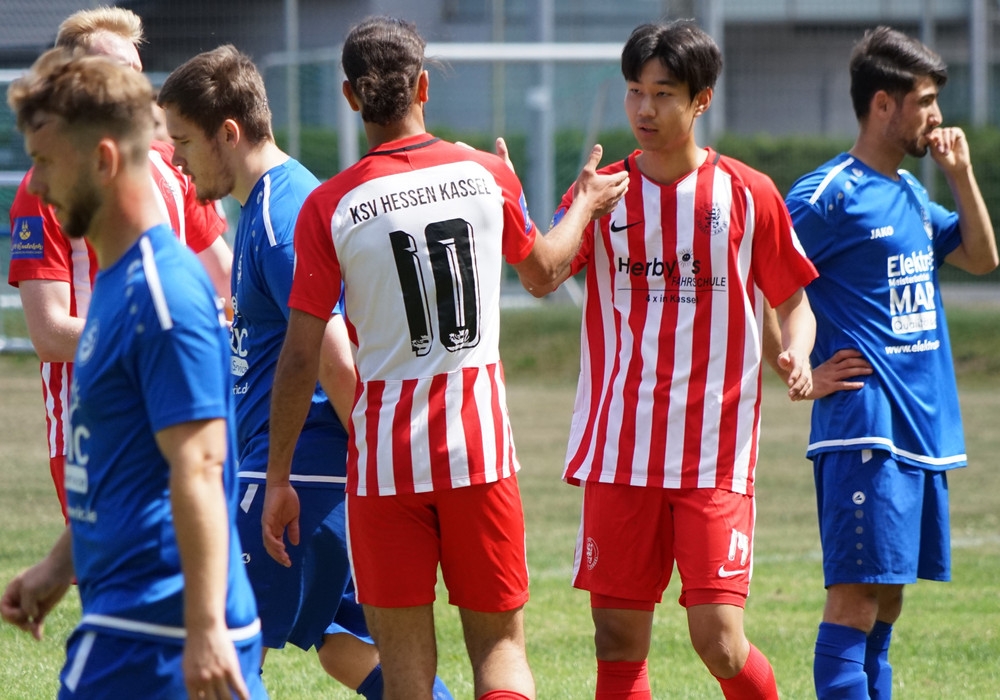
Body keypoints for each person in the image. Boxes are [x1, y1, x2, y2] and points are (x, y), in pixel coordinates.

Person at [262, 16, 627, 700]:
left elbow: (301, 355)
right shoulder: (487, 173)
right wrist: (583, 204)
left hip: (384, 465)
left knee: (406, 677)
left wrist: (279, 475)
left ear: (350, 96)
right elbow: (546, 273)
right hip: (478, 453)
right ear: (424, 86)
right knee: (501, 652)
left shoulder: (328, 206)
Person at [520, 20, 818, 700]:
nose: (644, 109)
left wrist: (796, 350)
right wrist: (546, 207)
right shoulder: (602, 193)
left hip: (714, 451)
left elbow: (795, 301)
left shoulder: (747, 193)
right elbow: (541, 278)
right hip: (619, 450)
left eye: (663, 93)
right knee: (617, 642)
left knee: (720, 640)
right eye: (634, 91)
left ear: (700, 100)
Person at [157, 44, 453, 700]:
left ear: (227, 133)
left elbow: (335, 356)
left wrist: (372, 470)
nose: (176, 160)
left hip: (301, 470)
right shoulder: (268, 205)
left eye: (182, 142)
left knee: (222, 647)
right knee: (346, 648)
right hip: (312, 469)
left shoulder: (282, 217)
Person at [0, 47, 265, 700]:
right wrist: (58, 567)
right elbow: (125, 465)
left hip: (160, 631)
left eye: (44, 162)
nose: (35, 186)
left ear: (103, 160)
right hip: (134, 617)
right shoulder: (120, 283)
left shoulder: (162, 296)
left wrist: (204, 628)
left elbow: (200, 467)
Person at [784, 26, 997, 699]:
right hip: (864, 428)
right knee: (855, 599)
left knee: (889, 600)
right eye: (925, 101)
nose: (936, 116)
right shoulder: (828, 195)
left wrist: (960, 174)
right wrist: (798, 368)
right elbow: (762, 276)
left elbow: (982, 257)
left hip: (921, 431)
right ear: (883, 104)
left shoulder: (908, 191)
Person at [6, 5, 232, 522]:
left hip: (176, 404)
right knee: (117, 565)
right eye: (116, 73)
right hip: (91, 425)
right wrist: (161, 338)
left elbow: (225, 283)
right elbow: (49, 334)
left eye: (137, 72)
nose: (134, 88)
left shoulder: (173, 166)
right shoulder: (43, 190)